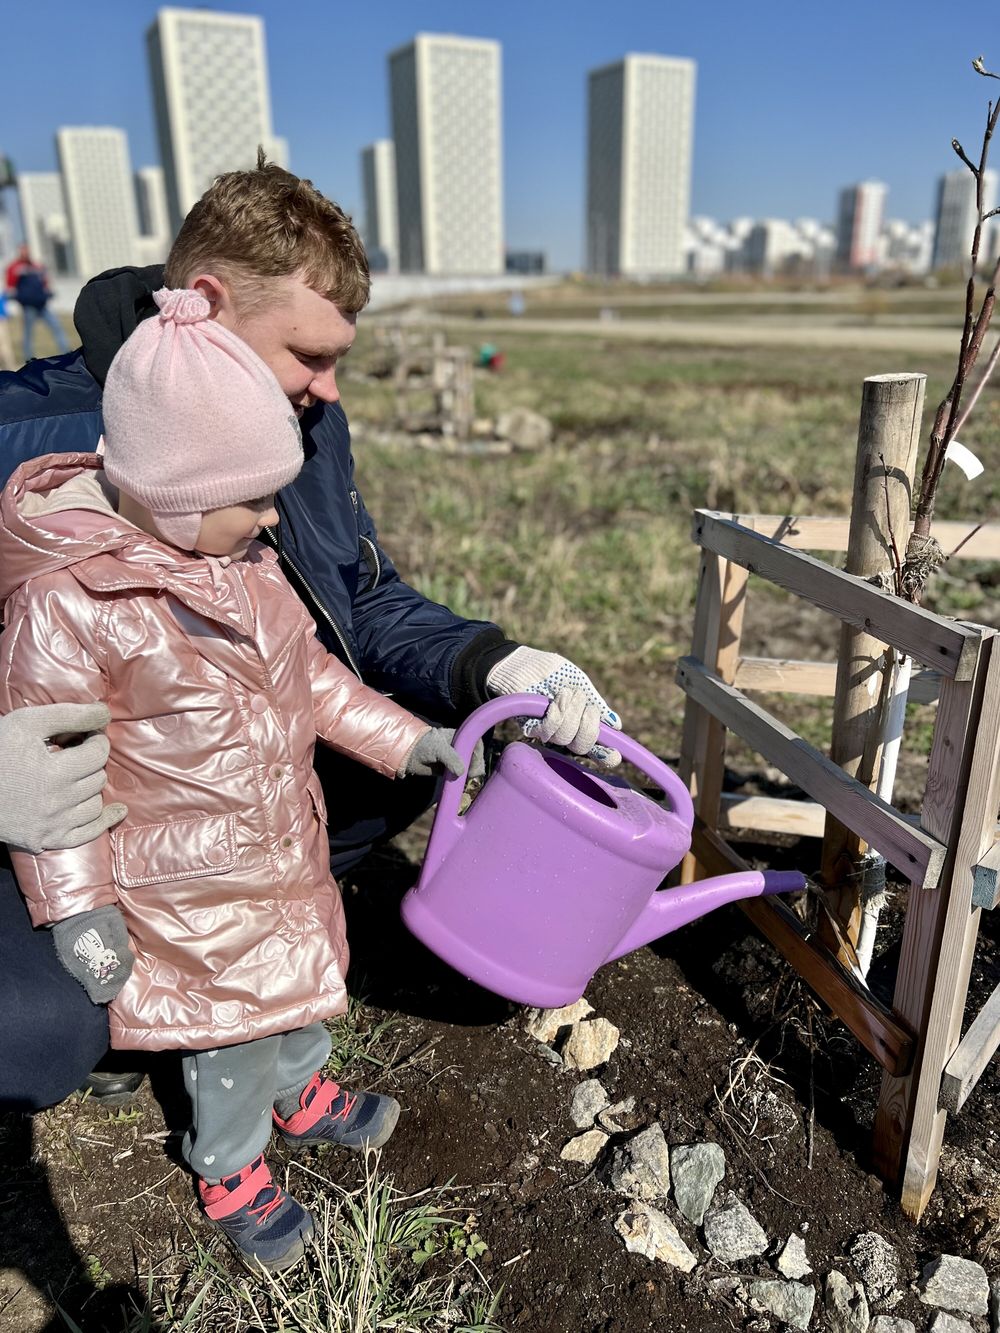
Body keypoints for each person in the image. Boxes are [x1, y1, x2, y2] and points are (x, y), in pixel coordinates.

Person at [0, 152, 621, 1113]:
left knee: (432, 725)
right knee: (36, 1033)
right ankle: (138, 998)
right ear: (205, 302)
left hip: (231, 774)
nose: (329, 388)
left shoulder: (300, 423)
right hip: (70, 821)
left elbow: (359, 595)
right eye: (311, 355)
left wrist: (492, 665)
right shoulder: (25, 435)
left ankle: (244, 952)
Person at [0, 288, 473, 1272]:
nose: (271, 517)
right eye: (253, 498)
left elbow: (313, 678)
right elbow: (53, 794)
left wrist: (406, 741)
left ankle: (301, 1088)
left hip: (274, 847)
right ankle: (231, 1162)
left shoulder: (245, 564)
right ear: (174, 492)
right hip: (179, 886)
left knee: (302, 988)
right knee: (228, 1039)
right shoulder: (71, 606)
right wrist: (78, 913)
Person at [5, 244, 70, 362]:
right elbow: (10, 286)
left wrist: (48, 291)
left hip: (42, 304)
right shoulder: (14, 267)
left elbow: (44, 281)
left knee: (56, 326)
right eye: (23, 250)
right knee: (28, 332)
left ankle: (66, 351)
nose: (26, 253)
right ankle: (28, 357)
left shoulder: (35, 266)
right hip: (28, 306)